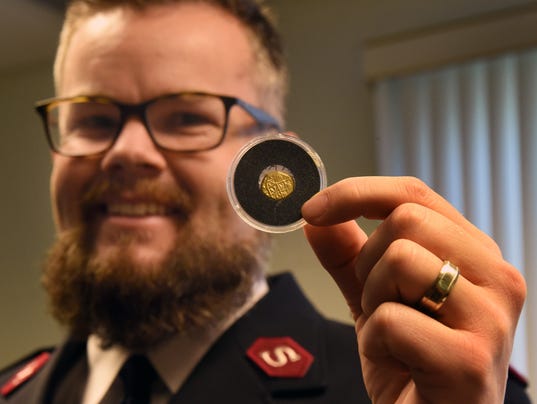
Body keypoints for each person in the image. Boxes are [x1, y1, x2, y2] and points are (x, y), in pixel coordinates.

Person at [0, 0, 530, 402]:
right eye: (92, 120)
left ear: (274, 157)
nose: (126, 152)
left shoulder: (430, 386)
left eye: (188, 117)